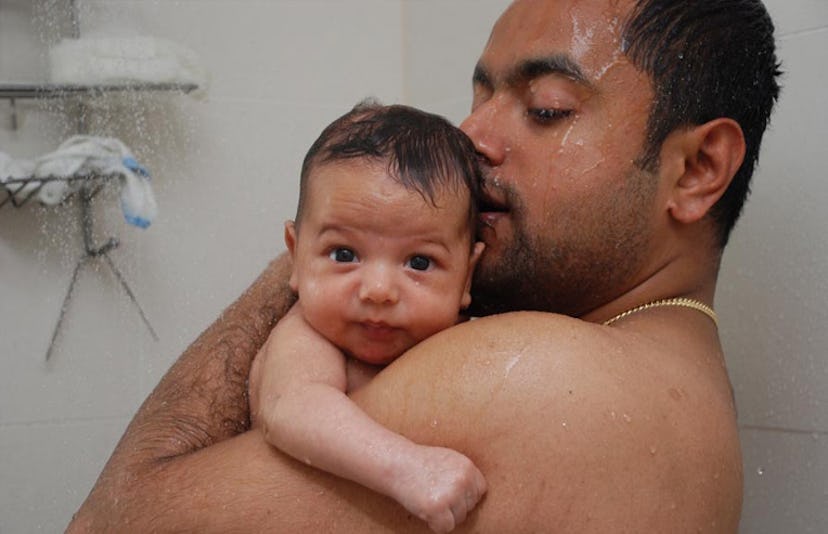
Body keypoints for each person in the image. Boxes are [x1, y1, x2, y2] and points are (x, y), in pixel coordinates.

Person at [68, 0, 781, 532]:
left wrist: (336, 245)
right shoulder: (676, 381)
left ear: (696, 170)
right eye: (480, 96)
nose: (470, 137)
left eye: (545, 108)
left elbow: (109, 520)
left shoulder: (535, 375)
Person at [249, 102, 486, 533]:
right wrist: (410, 468)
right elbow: (293, 408)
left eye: (418, 262)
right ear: (296, 256)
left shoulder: (457, 335)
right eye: (344, 254)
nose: (378, 290)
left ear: (467, 274)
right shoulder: (307, 337)